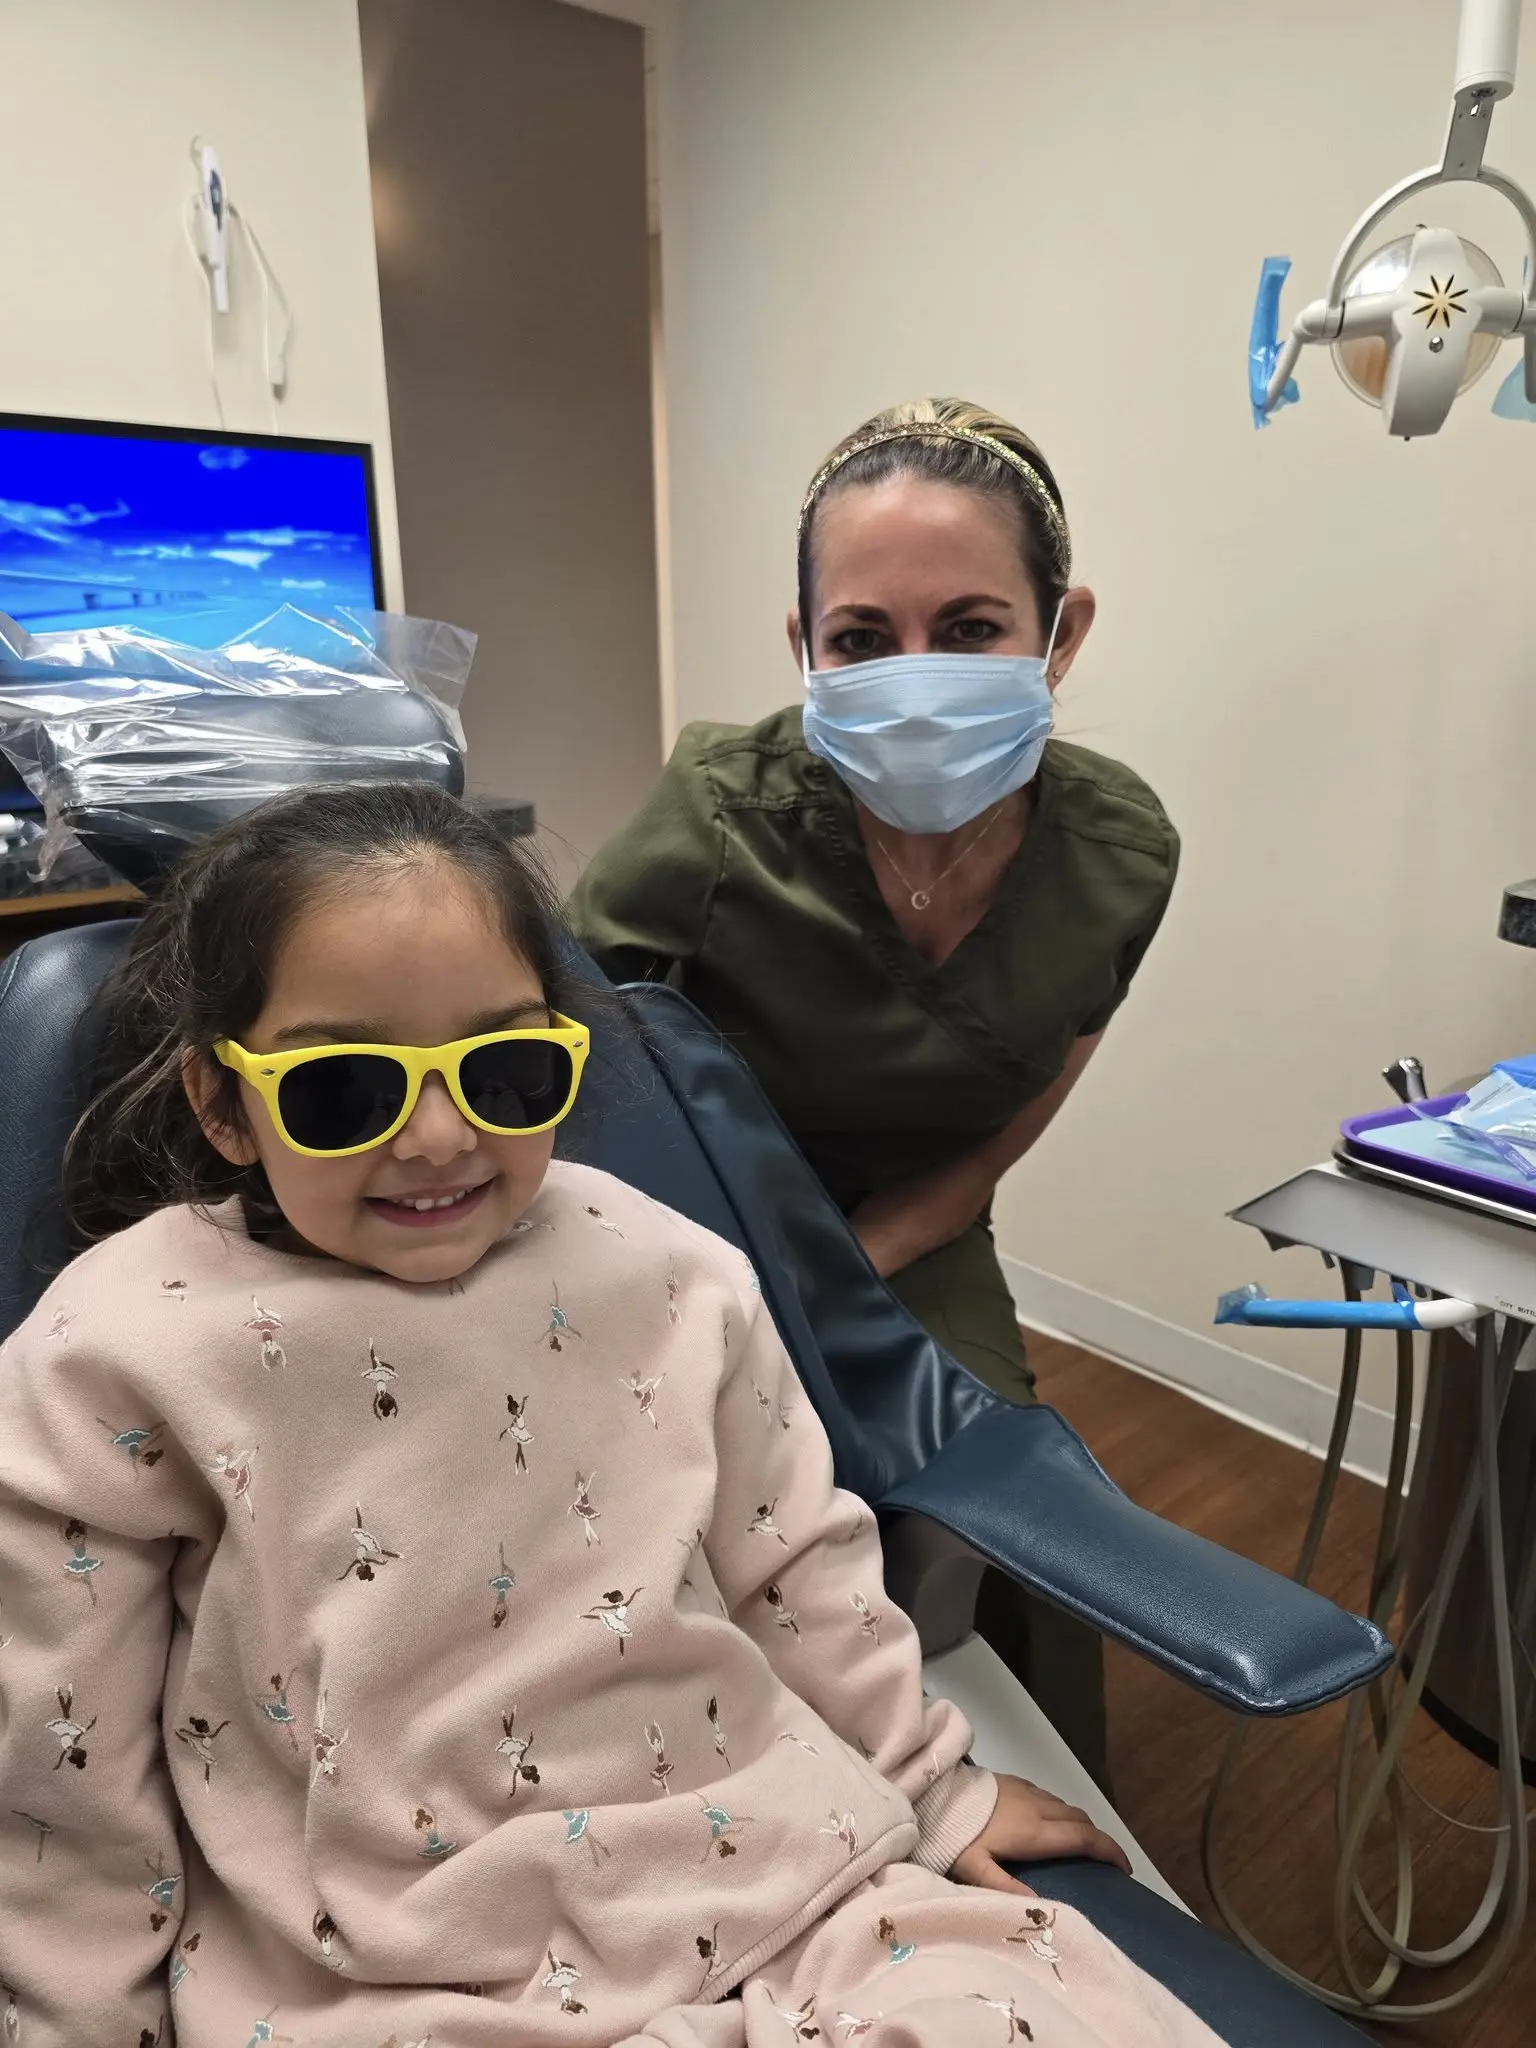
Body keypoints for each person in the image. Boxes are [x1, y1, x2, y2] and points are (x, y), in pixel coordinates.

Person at [0, 783, 1219, 2048]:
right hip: (389, 1972)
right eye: (347, 1088)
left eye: (507, 1069)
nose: (437, 1136)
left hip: (777, 1875)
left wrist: (932, 1782)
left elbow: (796, 1563)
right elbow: (60, 1765)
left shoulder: (665, 1268)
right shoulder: (119, 1353)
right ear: (222, 1103)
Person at [568, 398, 1179, 1789]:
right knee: (665, 1531)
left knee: (994, 1509)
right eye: (861, 639)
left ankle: (994, 1818)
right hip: (684, 1224)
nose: (915, 674)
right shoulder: (716, 819)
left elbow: (1014, 1114)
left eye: (969, 629)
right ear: (805, 652)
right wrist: (714, 1291)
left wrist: (851, 1274)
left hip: (916, 1221)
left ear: (1060, 633)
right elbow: (562, 1068)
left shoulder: (1120, 849)